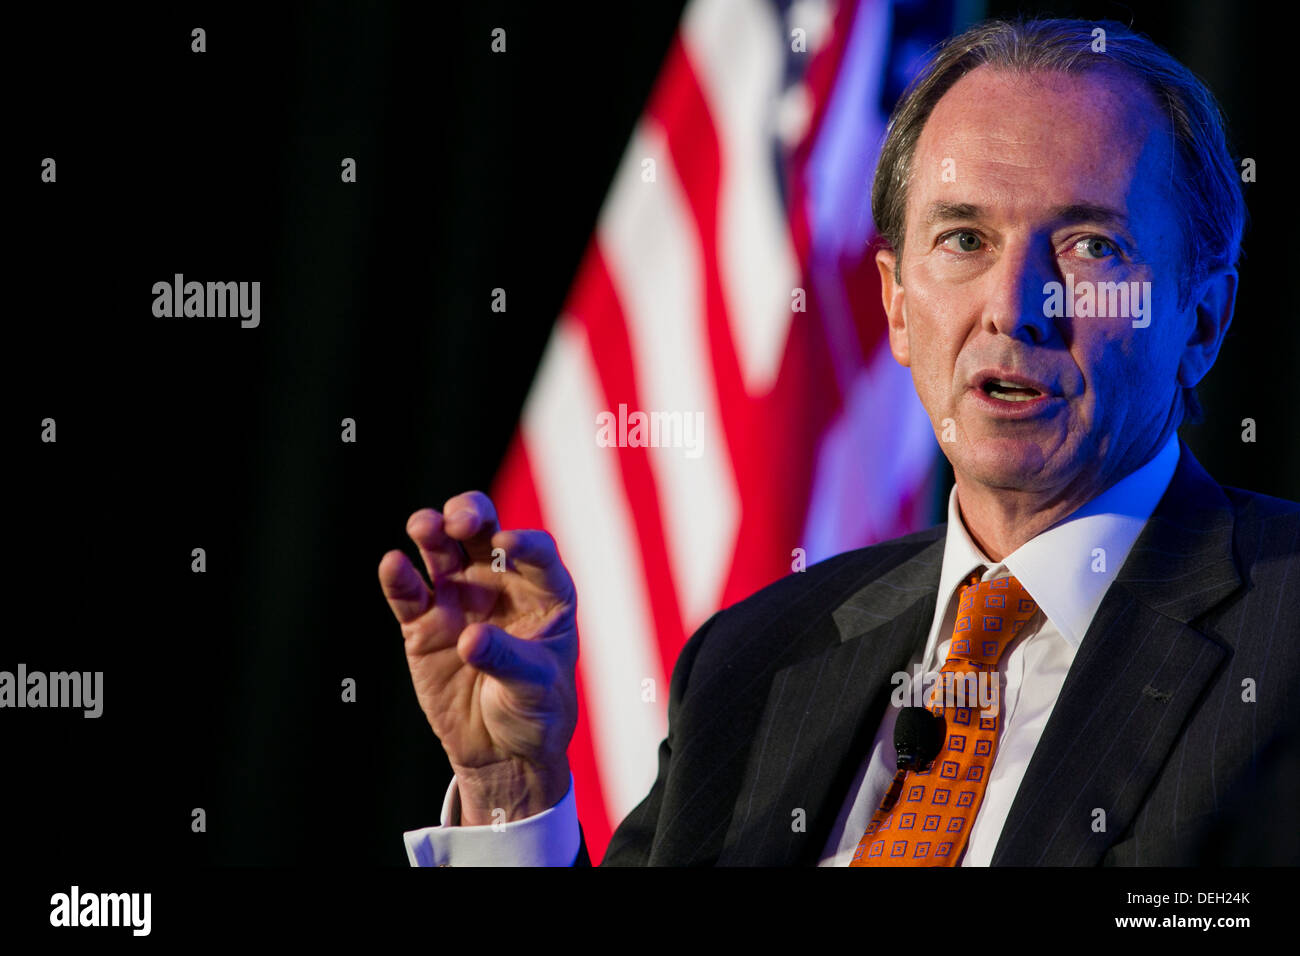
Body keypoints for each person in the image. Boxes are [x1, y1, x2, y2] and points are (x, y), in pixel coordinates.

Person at [378, 17, 1297, 866]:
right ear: (896, 305)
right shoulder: (752, 663)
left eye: (1091, 247)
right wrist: (513, 793)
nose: (1015, 309)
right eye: (965, 237)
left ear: (1204, 318)